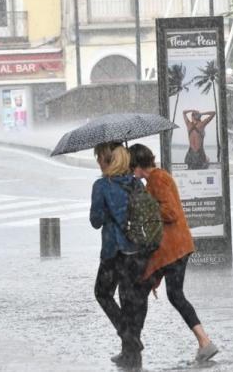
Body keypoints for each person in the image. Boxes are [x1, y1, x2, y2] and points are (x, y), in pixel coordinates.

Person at [128, 143, 219, 363]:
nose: (131, 172)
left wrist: (144, 206)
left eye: (132, 167)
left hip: (173, 248)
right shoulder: (156, 179)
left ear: (138, 165)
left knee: (150, 289)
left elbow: (169, 212)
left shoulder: (158, 179)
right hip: (173, 247)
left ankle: (132, 345)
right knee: (170, 294)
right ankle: (203, 341)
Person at [90, 142, 151, 369]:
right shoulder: (136, 184)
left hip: (113, 251)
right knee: (130, 300)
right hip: (137, 250)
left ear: (107, 160)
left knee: (102, 292)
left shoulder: (101, 186)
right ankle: (130, 353)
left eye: (99, 157)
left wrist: (107, 210)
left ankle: (129, 338)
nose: (98, 161)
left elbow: (95, 221)